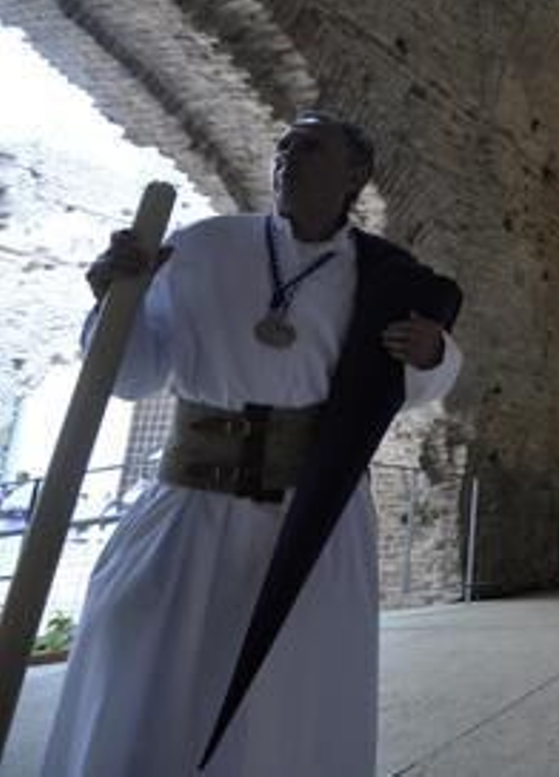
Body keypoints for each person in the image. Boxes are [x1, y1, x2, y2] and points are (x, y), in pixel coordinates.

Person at [44, 112, 463, 776]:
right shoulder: (200, 247)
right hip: (188, 514)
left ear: (356, 173)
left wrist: (433, 351)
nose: (288, 156)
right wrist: (115, 304)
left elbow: (418, 383)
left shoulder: (386, 277)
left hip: (310, 522)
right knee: (147, 683)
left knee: (287, 704)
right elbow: (133, 376)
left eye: (310, 146)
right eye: (283, 145)